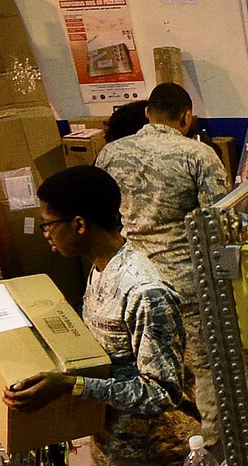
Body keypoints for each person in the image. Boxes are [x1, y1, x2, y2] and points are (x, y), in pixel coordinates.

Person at [6, 166, 198, 466]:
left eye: (49, 224)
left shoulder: (144, 292)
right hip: (110, 447)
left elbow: (162, 392)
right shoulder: (100, 270)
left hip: (151, 459)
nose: (45, 233)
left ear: (79, 224)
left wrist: (71, 386)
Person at [96, 83, 230, 447]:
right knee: (208, 371)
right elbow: (219, 222)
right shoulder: (199, 157)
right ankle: (214, 455)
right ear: (187, 118)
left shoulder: (109, 155)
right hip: (188, 284)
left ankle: (168, 448)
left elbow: (103, 220)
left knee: (153, 374)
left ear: (147, 114)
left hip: (133, 285)